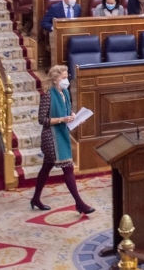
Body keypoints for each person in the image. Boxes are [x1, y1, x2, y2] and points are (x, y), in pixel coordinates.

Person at [30, 65, 95, 215]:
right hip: (51, 136)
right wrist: (62, 119)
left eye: (67, 77)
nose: (66, 80)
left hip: (62, 134)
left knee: (46, 167)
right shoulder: (48, 95)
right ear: (54, 79)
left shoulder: (65, 92)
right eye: (63, 78)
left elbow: (68, 111)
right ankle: (79, 203)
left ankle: (35, 199)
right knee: (68, 168)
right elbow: (42, 120)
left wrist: (74, 117)